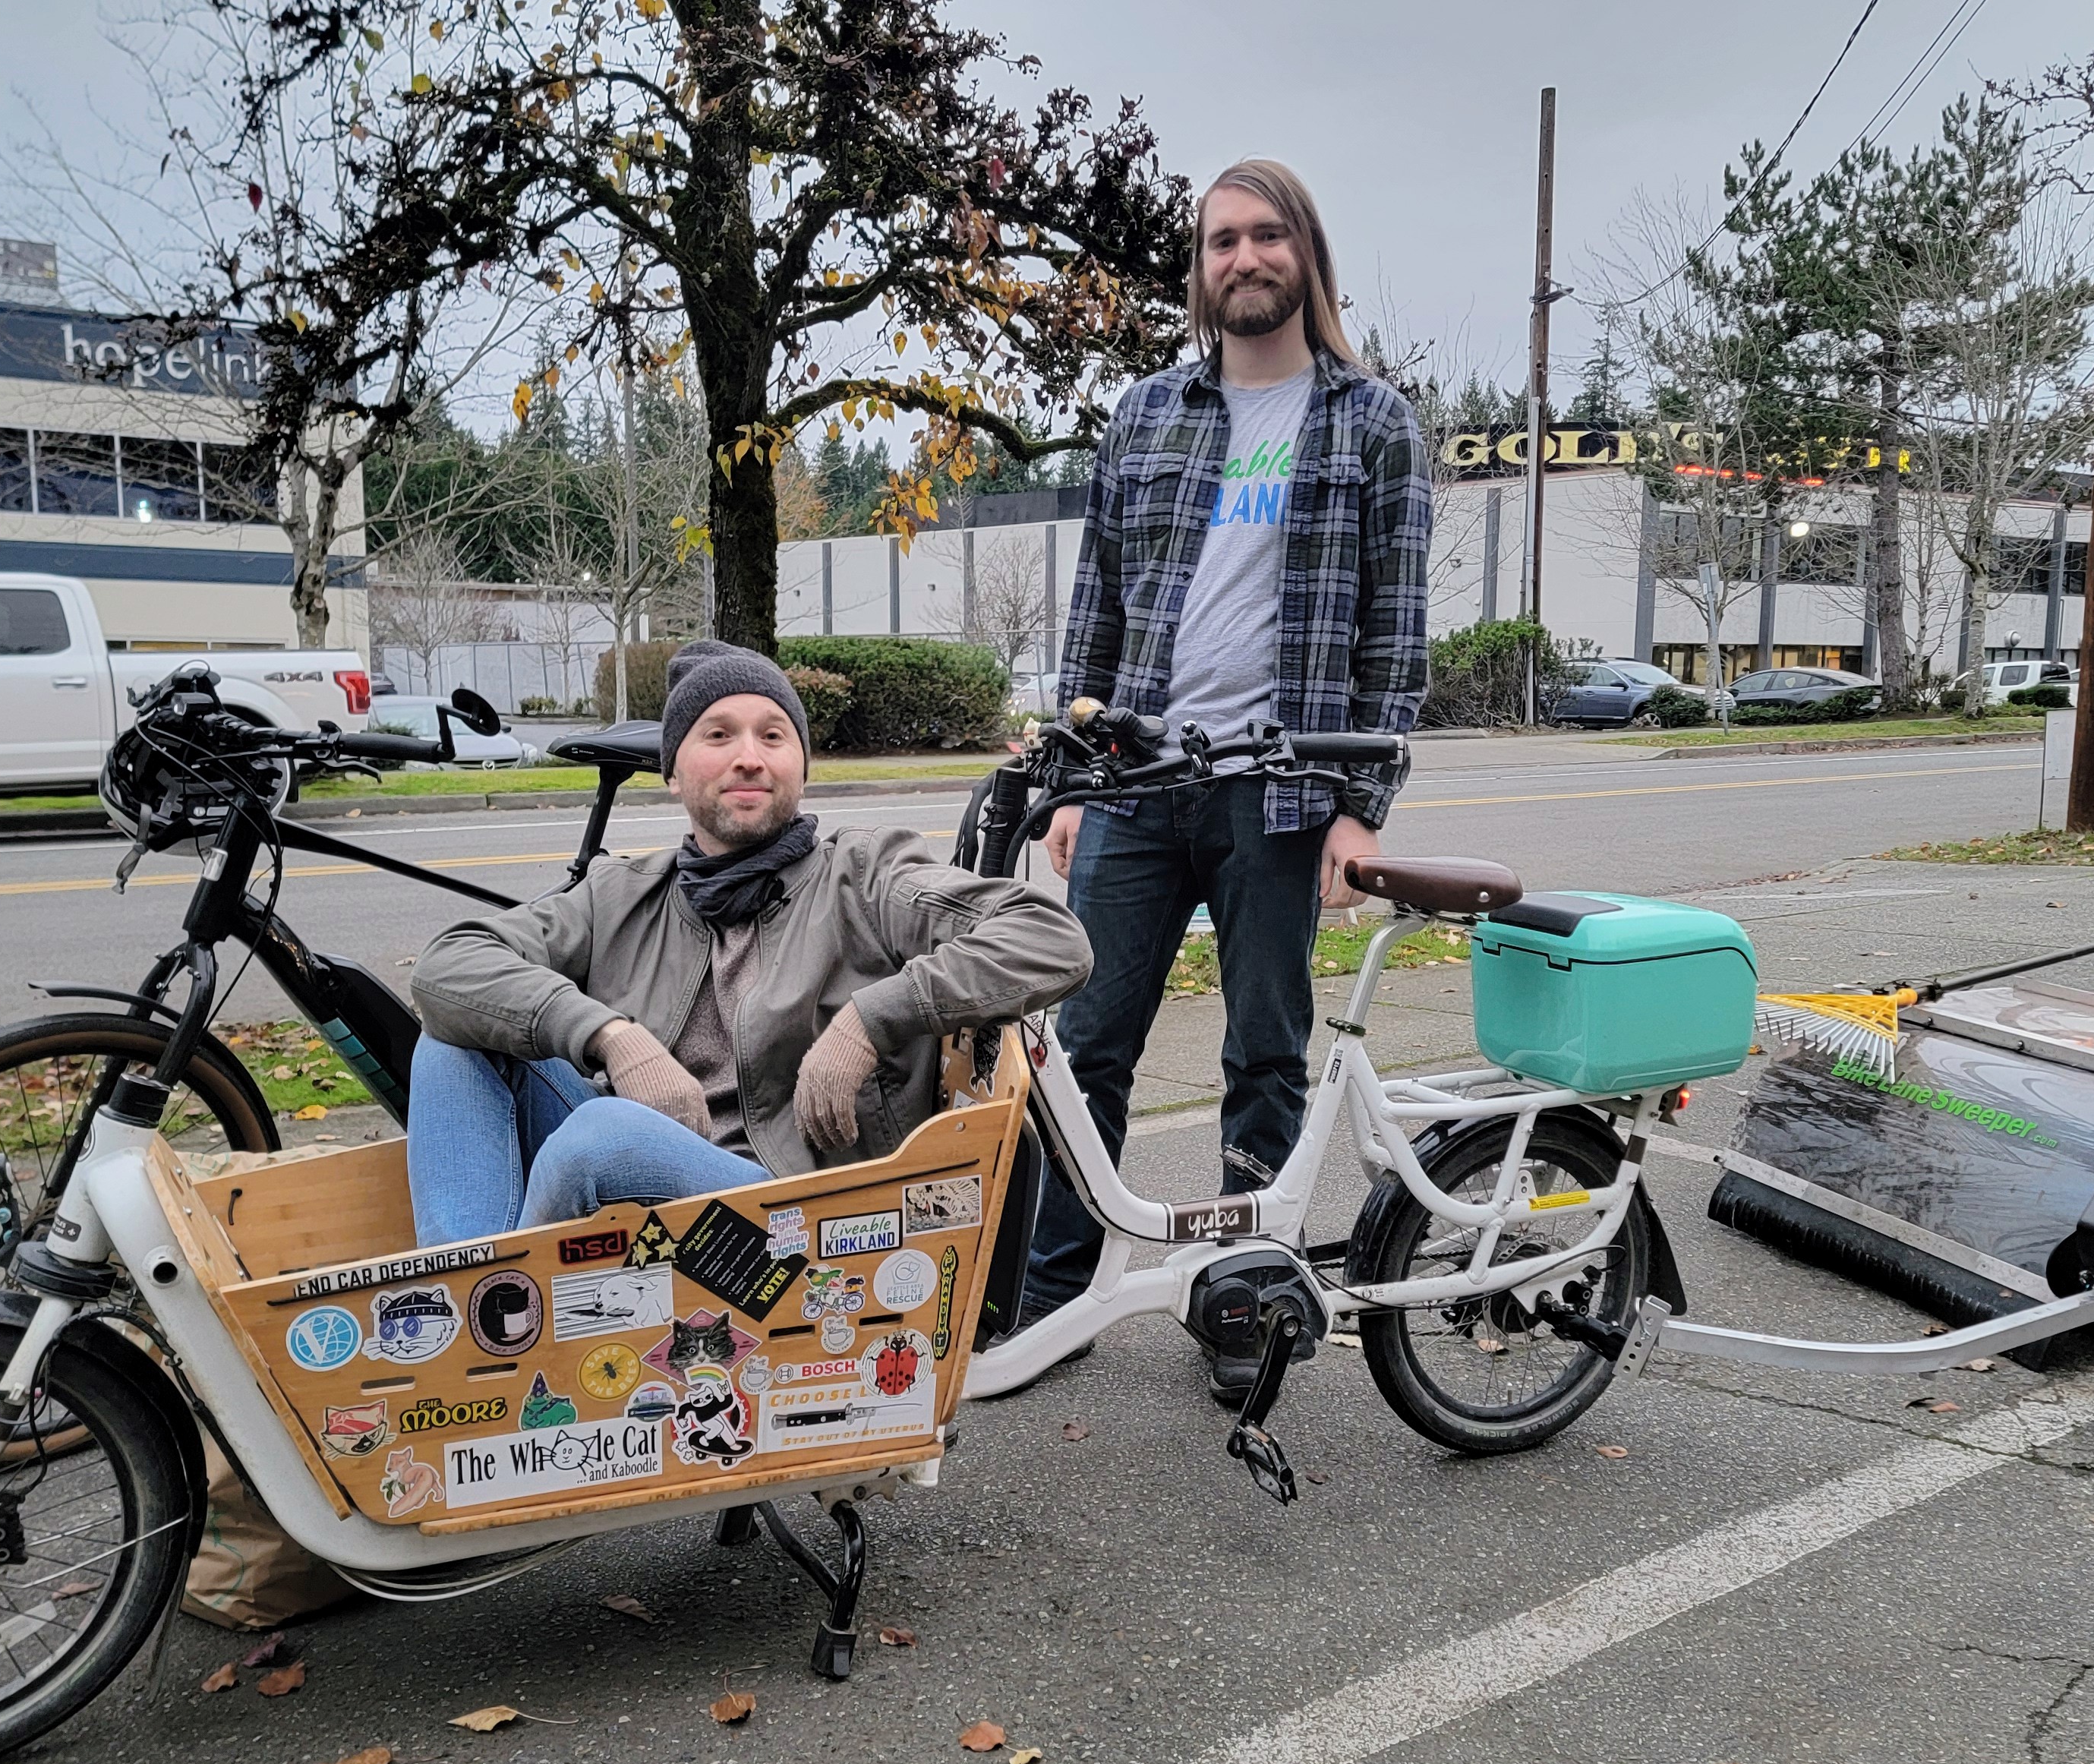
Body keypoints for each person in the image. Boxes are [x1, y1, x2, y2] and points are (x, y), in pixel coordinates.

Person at [1023, 157, 1430, 1402]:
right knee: (1081, 1040)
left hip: (1285, 786)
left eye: (1266, 236)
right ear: (1200, 270)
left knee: (1265, 1049)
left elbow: (1394, 637)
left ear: (1305, 254)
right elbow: (1095, 612)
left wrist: (1364, 809)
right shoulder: (1148, 414)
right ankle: (1057, 1289)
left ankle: (1242, 1293)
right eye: (1220, 242)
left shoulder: (1372, 422)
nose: (1242, 258)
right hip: (1140, 781)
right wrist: (1073, 776)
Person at [403, 640, 1090, 1242]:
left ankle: (495, 1326)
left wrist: (870, 1020)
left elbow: (1048, 938)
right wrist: (611, 1035)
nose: (749, 758)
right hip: (649, 1182)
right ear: (673, 771)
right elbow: (449, 966)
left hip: (800, 1217)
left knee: (600, 1138)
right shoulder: (621, 895)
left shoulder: (864, 877)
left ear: (800, 763)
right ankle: (472, 1300)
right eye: (718, 735)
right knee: (454, 1040)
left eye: (772, 736)